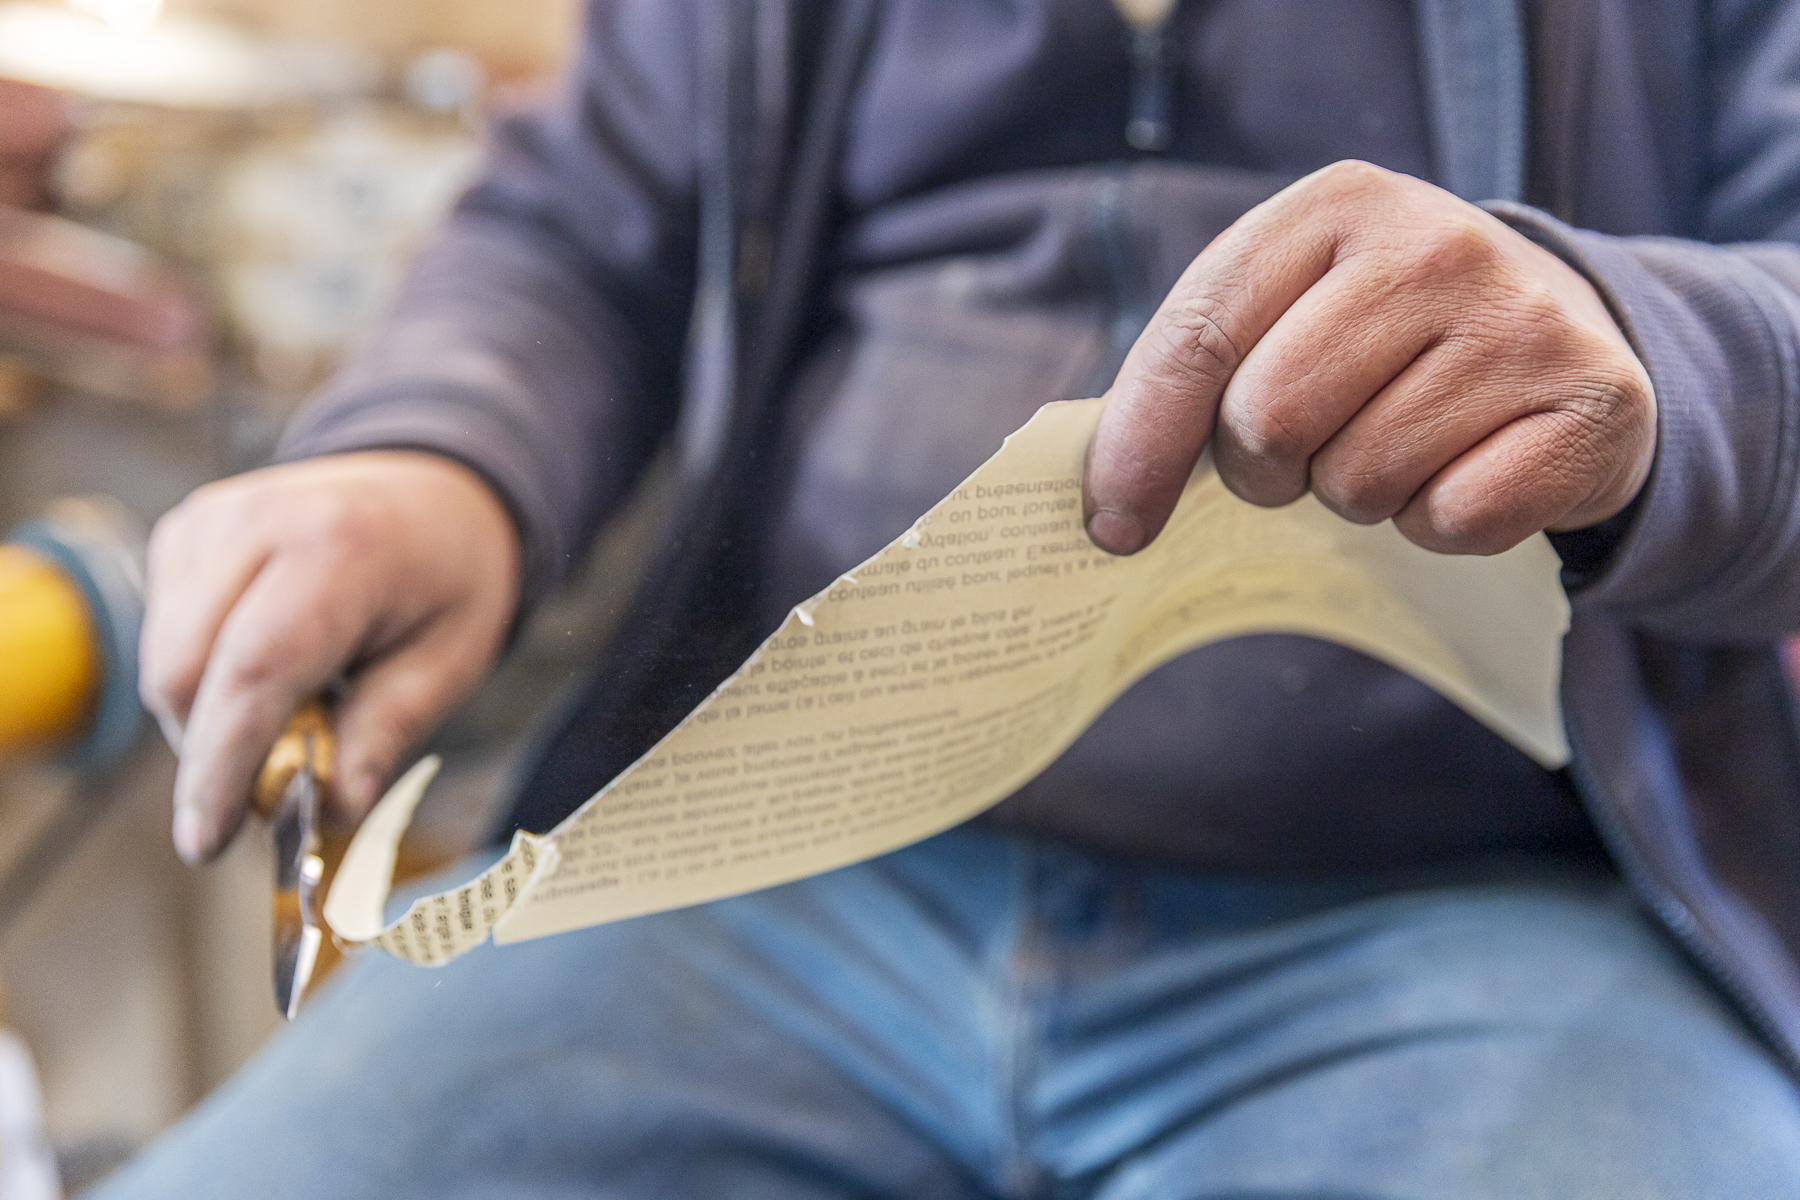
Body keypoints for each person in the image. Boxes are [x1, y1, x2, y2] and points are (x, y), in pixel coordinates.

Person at [96, 1, 1800, 1195]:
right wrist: (432, 460)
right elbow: (579, 230)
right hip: (773, 871)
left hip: (1481, 907)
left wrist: (1639, 348)